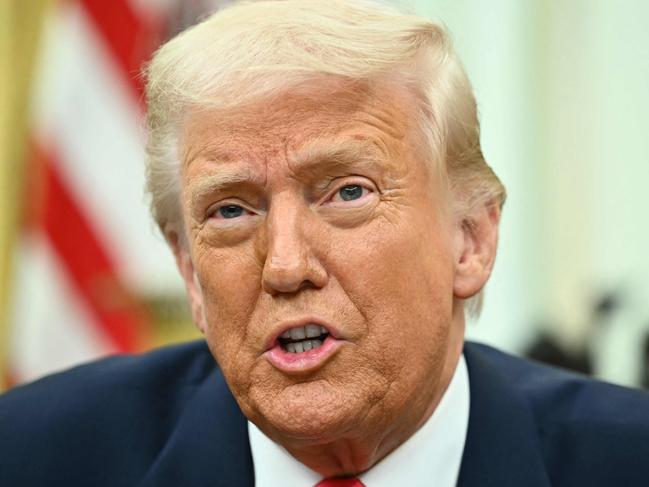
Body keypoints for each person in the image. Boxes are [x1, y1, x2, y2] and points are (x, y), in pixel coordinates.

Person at [1, 1, 649, 486]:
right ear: (191, 276)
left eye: (346, 192)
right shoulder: (31, 457)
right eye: (231, 209)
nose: (285, 265)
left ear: (470, 239)